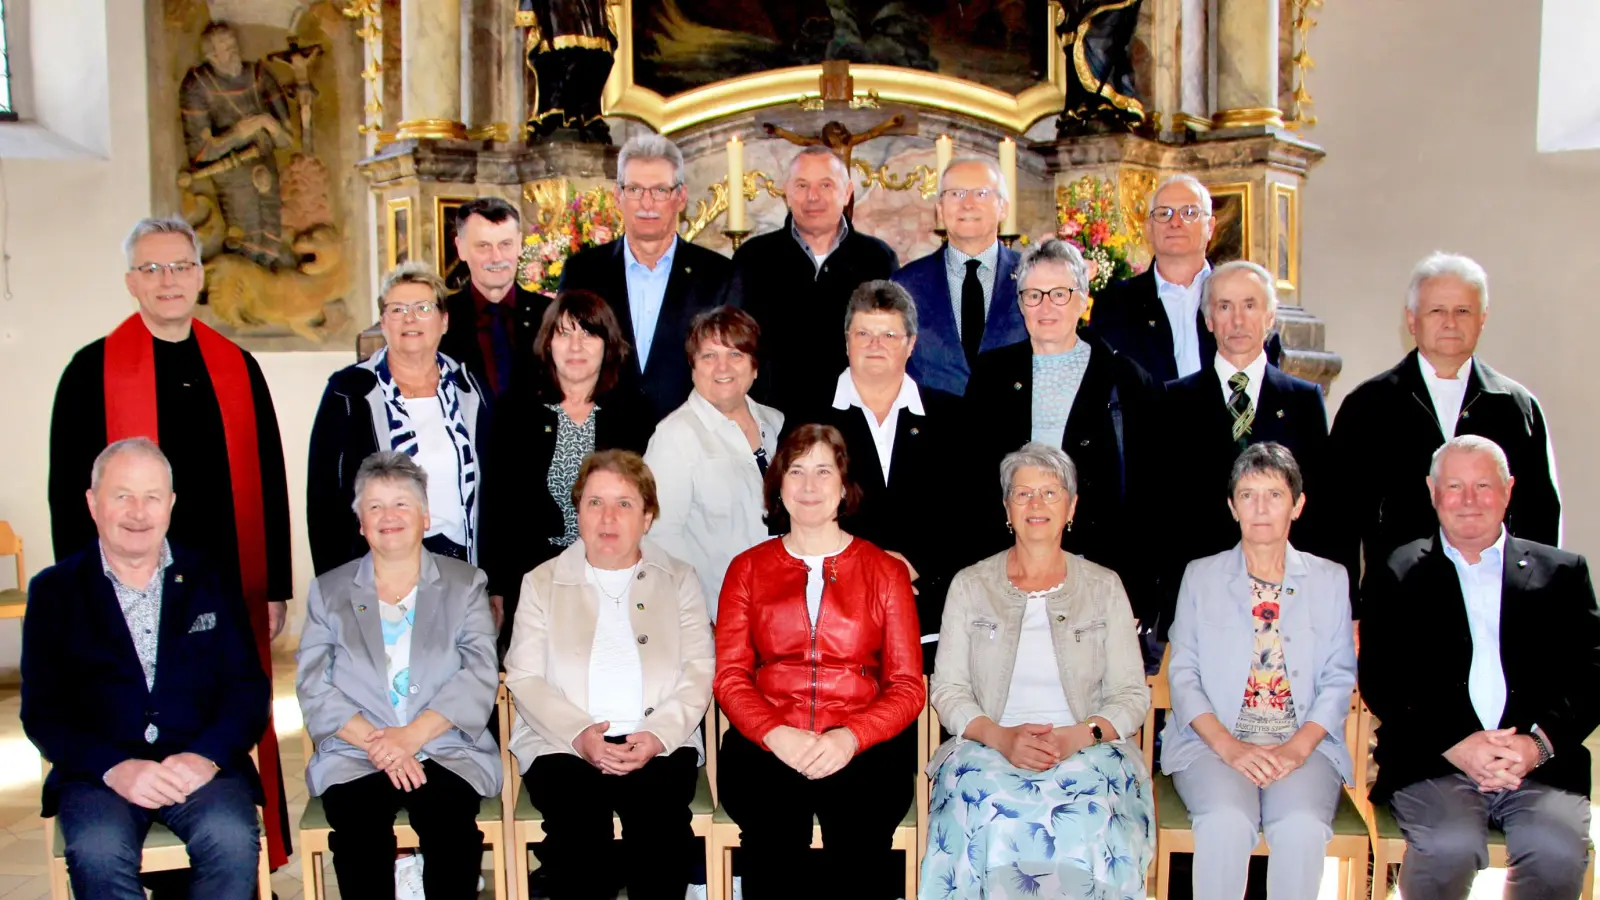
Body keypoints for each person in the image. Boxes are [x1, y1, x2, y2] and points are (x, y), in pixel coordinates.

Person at [47, 216, 294, 867]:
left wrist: (273, 588)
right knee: (125, 709)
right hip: (123, 586)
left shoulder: (236, 366)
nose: (168, 281)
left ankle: (209, 834)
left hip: (218, 588)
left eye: (180, 266)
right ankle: (134, 823)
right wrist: (81, 597)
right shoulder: (90, 372)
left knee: (218, 710)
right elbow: (69, 494)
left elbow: (268, 475)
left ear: (200, 275)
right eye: (151, 268)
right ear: (131, 281)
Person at [22, 438, 269, 900]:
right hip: (101, 776)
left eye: (152, 497)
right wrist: (114, 768)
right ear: (93, 503)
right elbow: (42, 712)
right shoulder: (55, 591)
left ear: (171, 504)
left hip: (199, 768)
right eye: (122, 496)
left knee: (233, 840)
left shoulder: (210, 578)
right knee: (96, 851)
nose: (139, 512)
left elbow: (247, 689)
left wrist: (206, 757)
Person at [1360, 435, 1600, 900]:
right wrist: (1456, 743)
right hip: (1435, 762)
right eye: (1455, 487)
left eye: (1483, 486)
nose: (1469, 501)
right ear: (1432, 491)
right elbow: (1383, 678)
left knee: (1556, 853)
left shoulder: (1563, 573)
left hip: (1538, 766)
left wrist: (1537, 745)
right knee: (1450, 846)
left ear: (1508, 490)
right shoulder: (1397, 571)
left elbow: (1592, 675)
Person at [922, 442, 1153, 898]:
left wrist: (1078, 735)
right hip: (987, 747)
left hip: (1088, 749)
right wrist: (1001, 738)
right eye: (1023, 493)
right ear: (1006, 507)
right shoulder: (970, 585)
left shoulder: (1105, 587)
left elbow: (1131, 695)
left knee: (1085, 819)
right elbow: (948, 690)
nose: (1036, 505)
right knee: (989, 810)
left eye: (1050, 493)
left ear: (1072, 506)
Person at [715, 424, 925, 900]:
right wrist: (776, 733)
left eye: (823, 471)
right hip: (766, 742)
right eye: (796, 471)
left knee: (860, 845)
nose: (809, 486)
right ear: (778, 486)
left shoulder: (885, 571)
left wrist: (850, 738)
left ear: (844, 486)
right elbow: (730, 677)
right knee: (772, 843)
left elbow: (909, 686)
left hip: (862, 741)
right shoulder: (745, 568)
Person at [503, 449, 713, 900]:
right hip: (561, 743)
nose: (608, 517)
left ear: (648, 517)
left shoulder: (679, 579)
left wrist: (656, 735)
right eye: (594, 502)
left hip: (657, 740)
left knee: (660, 834)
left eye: (624, 504)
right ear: (577, 511)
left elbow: (699, 671)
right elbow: (523, 677)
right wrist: (580, 733)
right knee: (577, 836)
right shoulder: (540, 582)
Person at [297, 452, 501, 900]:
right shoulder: (328, 592)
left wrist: (412, 736)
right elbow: (313, 684)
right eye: (375, 507)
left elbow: (480, 671)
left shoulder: (465, 584)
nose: (388, 516)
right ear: (360, 523)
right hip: (356, 752)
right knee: (358, 832)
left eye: (402, 504)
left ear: (425, 517)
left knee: (450, 828)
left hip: (444, 746)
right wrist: (383, 745)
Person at [1160, 442, 1356, 900]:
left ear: (1298, 505)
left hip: (1302, 744)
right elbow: (1184, 675)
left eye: (1275, 494)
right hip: (1214, 743)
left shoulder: (1330, 580)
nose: (1262, 507)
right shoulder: (1201, 576)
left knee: (1302, 828)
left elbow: (1338, 677)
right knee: (1226, 822)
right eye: (1248, 495)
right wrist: (1229, 748)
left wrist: (1294, 749)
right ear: (1232, 507)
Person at [1327, 252, 1561, 617]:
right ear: (1411, 319)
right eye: (1437, 311)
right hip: (1400, 603)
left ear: (1483, 319)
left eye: (1463, 311)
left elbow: (1540, 512)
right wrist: (1347, 612)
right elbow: (1337, 519)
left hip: (1498, 603)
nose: (1450, 323)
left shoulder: (1515, 406)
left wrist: (1538, 597)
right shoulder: (1369, 406)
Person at [966, 238, 1161, 626]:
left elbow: (1148, 493)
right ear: (1020, 304)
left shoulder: (1126, 380)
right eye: (1033, 295)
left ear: (1082, 300)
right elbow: (969, 478)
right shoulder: (992, 375)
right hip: (1008, 569)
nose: (1046, 306)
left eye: (1059, 293)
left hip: (1096, 573)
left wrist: (1138, 592)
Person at [795, 280, 972, 669]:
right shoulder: (808, 415)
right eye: (864, 333)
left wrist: (919, 564)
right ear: (846, 341)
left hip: (930, 610)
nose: (875, 344)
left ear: (911, 344)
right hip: (831, 613)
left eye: (889, 334)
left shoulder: (952, 418)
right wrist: (869, 567)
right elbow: (791, 511)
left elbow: (972, 513)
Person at [1157, 260, 1329, 639]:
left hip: (1289, 604)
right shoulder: (1172, 402)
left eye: (1249, 305)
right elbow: (1159, 508)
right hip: (1200, 602)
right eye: (1224, 306)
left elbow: (1321, 508)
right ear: (1208, 320)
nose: (1237, 319)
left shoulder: (1303, 401)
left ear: (1269, 317)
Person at [479, 290, 653, 650]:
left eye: (588, 334)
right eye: (564, 333)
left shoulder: (634, 413)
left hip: (616, 575)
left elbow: (646, 502)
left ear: (608, 344)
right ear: (547, 342)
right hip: (533, 578)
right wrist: (495, 584)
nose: (576, 346)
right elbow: (496, 503)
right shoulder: (516, 409)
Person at [308, 261, 492, 580]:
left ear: (444, 321)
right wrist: (338, 587)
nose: (410, 318)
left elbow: (495, 492)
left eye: (423, 308)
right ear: (383, 321)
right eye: (397, 309)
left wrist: (497, 582)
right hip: (378, 574)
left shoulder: (469, 388)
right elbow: (324, 500)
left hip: (464, 569)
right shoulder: (349, 393)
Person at [559, 133, 732, 423]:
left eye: (660, 190)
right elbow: (562, 361)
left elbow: (735, 370)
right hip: (604, 445)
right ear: (618, 196)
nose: (647, 203)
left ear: (680, 197)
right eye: (635, 189)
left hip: (691, 443)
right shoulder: (583, 271)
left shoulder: (719, 275)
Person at [732, 145, 900, 414]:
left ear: (847, 193)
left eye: (825, 185)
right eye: (801, 185)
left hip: (857, 417)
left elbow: (892, 344)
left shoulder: (877, 259)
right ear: (786, 192)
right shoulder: (753, 258)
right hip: (772, 420)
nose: (813, 197)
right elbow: (736, 345)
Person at [643, 306, 784, 618]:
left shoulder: (776, 425)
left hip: (784, 614)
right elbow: (659, 539)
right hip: (717, 620)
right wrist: (700, 619)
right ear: (693, 368)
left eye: (735, 354)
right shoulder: (675, 437)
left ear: (754, 366)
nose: (723, 366)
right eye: (709, 356)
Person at [1091, 175, 1280, 382]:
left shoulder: (1243, 296)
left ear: (1210, 227)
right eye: (1164, 213)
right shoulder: (1115, 304)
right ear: (1149, 228)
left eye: (1189, 213)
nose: (1175, 222)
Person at [894, 157, 1025, 396]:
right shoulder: (905, 285)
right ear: (940, 209)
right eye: (956, 194)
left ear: (1003, 207)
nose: (968, 204)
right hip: (933, 429)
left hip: (1014, 429)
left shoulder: (1032, 277)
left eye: (982, 194)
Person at [440, 196, 552, 398]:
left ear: (519, 245)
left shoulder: (551, 315)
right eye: (483, 246)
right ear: (461, 248)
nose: (496, 257)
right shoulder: (440, 320)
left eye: (505, 244)